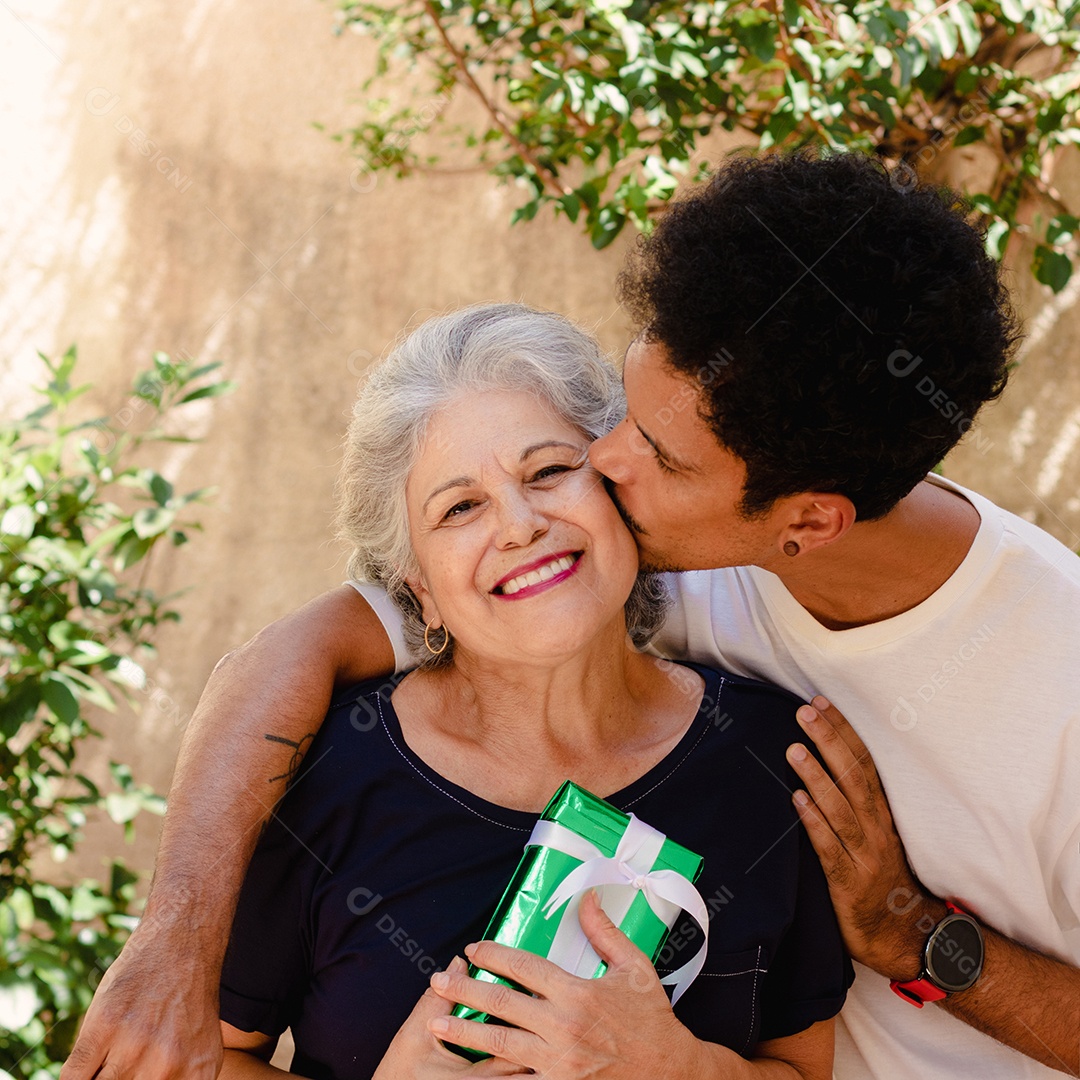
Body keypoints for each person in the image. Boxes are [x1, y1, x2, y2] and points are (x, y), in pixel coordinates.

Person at [61, 153, 1080, 1080]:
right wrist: (171, 939)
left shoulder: (908, 717)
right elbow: (286, 656)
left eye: (634, 457)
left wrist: (911, 941)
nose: (605, 462)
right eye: (461, 508)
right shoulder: (617, 551)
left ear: (806, 523)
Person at [214, 303, 851, 1078]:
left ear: (618, 486)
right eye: (460, 508)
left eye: (548, 471)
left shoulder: (770, 761)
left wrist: (680, 1069)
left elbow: (803, 1067)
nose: (519, 525)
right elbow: (201, 1058)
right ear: (420, 590)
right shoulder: (327, 778)